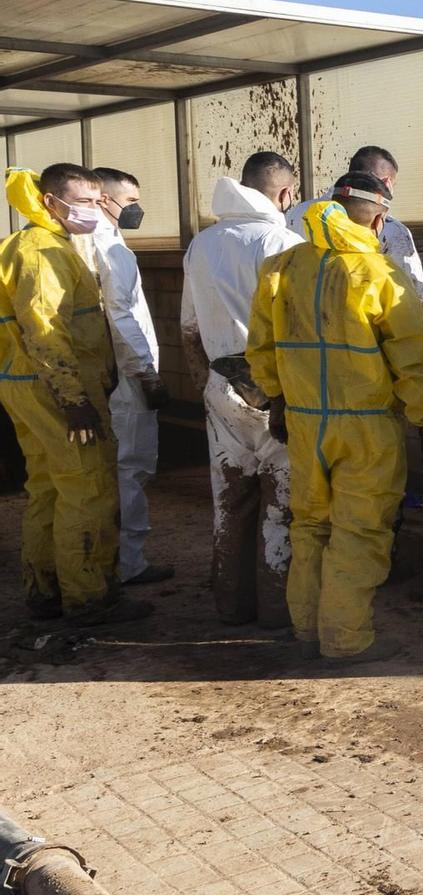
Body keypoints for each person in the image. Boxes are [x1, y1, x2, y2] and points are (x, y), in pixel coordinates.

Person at [249, 171, 423, 663]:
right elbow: (410, 358)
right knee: (360, 530)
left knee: (311, 525)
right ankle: (346, 640)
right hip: (367, 427)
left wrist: (277, 401)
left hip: (305, 422)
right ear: (377, 219)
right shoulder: (379, 273)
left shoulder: (281, 267)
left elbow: (260, 348)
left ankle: (307, 630)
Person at [0, 165, 147, 625]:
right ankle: (89, 598)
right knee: (87, 488)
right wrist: (74, 400)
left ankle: (45, 591)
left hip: (28, 383)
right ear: (50, 201)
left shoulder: (42, 245)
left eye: (96, 201)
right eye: (82, 202)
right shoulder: (42, 252)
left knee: (48, 486)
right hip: (56, 389)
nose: (92, 211)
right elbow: (45, 331)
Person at [182, 151, 303, 627]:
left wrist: (207, 388)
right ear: (285, 193)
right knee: (281, 500)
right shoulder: (282, 242)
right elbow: (296, 327)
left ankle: (231, 605)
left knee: (229, 499)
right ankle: (276, 610)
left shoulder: (202, 244)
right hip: (273, 386)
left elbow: (189, 329)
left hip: (219, 382)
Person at [86, 168, 174, 586]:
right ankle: (129, 563)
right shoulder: (111, 248)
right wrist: (146, 374)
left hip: (108, 373)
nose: (137, 208)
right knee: (131, 468)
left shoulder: (92, 242)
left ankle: (102, 559)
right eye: (131, 200)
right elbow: (121, 315)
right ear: (104, 199)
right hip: (128, 379)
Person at [288, 146, 423, 285]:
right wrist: (384, 203)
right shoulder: (392, 231)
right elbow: (412, 287)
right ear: (386, 183)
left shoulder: (297, 213)